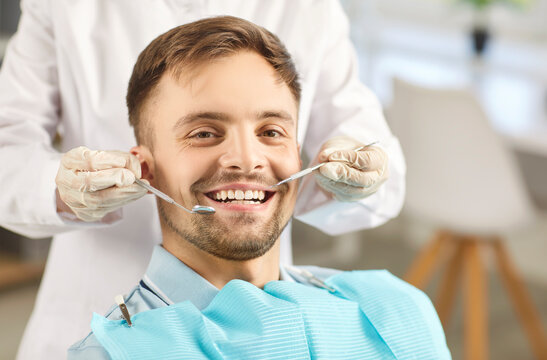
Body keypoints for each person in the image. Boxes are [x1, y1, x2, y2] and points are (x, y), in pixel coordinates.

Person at [0, 1, 405, 358]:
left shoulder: (310, 9)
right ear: (145, 165)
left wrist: (354, 170)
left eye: (270, 131)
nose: (245, 159)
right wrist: (64, 190)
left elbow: (376, 160)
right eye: (204, 133)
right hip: (99, 300)